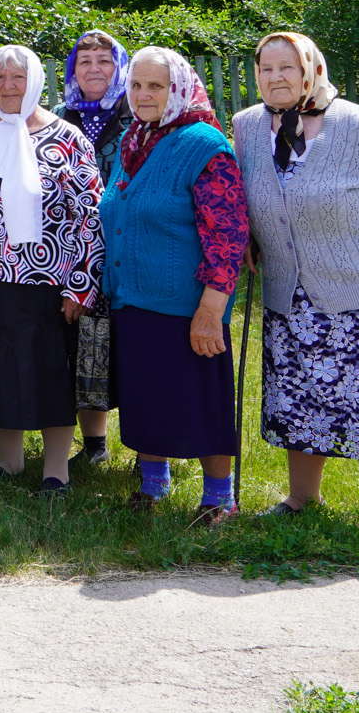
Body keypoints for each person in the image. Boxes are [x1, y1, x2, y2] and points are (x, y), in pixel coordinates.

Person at [237, 31, 359, 539]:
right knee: (297, 397)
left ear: (311, 70)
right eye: (266, 69)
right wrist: (251, 237)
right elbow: (248, 197)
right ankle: (301, 498)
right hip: (290, 294)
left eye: (287, 67)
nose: (276, 78)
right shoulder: (247, 127)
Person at [99, 47, 247, 526]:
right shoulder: (135, 139)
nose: (143, 95)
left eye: (156, 86)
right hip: (133, 296)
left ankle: (220, 498)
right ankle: (153, 484)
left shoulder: (205, 145)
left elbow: (228, 236)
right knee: (146, 396)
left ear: (178, 89)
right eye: (136, 85)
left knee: (201, 400)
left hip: (186, 304)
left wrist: (211, 310)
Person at [0, 46, 104, 496]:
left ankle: (56, 471)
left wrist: (80, 286)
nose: (8, 86)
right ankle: (10, 461)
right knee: (1, 369)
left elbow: (91, 216)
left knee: (51, 372)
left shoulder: (68, 139)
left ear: (34, 81)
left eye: (18, 77)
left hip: (49, 282)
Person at [60, 30, 133, 463]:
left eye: (104, 60)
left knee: (135, 345)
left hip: (130, 247)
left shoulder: (138, 114)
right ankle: (95, 445)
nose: (93, 69)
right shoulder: (57, 117)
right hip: (76, 253)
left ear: (119, 67)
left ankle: (149, 449)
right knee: (86, 343)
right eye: (83, 61)